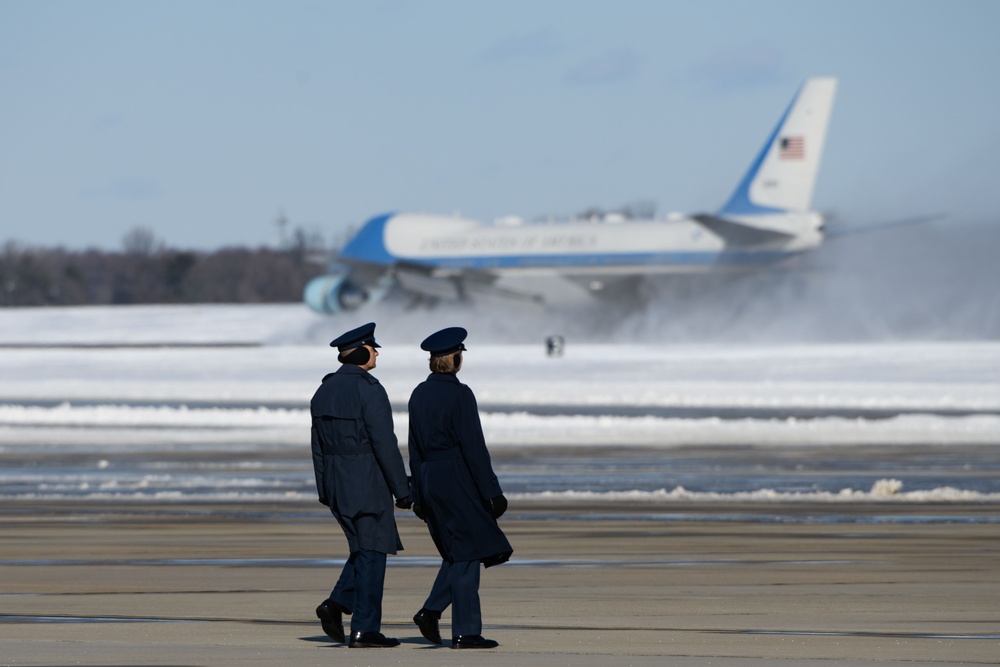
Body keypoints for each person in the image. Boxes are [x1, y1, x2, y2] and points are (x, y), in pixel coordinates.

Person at [407, 327, 513, 650]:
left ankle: (431, 611)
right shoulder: (460, 394)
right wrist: (492, 492)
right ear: (454, 359)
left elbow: (413, 447)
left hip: (428, 478)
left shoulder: (418, 394)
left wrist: (417, 494)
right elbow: (474, 449)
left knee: (457, 551)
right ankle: (465, 632)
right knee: (467, 552)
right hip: (455, 478)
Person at [310, 322, 412, 649]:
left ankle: (337, 604)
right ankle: (364, 629)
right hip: (367, 479)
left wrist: (325, 488)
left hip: (337, 482)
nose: (377, 352)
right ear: (360, 352)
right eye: (372, 347)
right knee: (373, 553)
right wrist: (402, 489)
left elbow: (318, 446)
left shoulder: (323, 390)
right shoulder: (369, 388)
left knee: (362, 550)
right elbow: (384, 442)